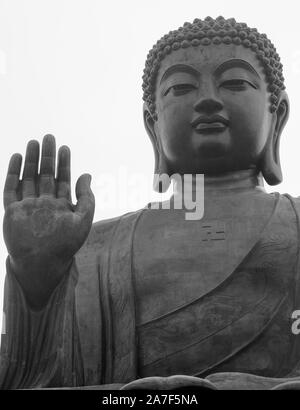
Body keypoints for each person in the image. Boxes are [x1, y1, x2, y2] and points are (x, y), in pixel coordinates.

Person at [1, 16, 300, 390]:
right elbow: (28, 382)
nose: (207, 98)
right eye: (181, 88)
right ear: (151, 123)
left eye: (235, 82)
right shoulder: (93, 249)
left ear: (278, 115)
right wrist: (37, 279)